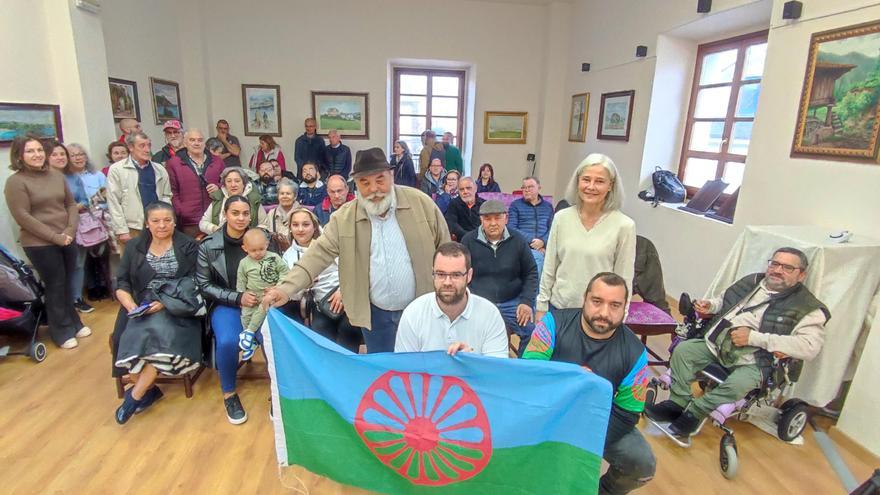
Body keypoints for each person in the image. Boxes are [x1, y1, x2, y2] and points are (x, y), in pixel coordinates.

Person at [262, 147, 450, 353]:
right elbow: (317, 255)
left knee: (421, 371)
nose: (373, 189)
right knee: (384, 373)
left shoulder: (421, 204)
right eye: (365, 183)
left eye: (380, 180)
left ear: (391, 175)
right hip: (376, 317)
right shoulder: (344, 218)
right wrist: (285, 289)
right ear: (356, 184)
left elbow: (446, 252)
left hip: (421, 310)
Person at [647, 247, 829, 437]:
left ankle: (695, 413)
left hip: (756, 361)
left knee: (737, 384)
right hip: (718, 345)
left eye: (787, 268)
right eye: (774, 264)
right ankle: (677, 402)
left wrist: (754, 338)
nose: (777, 270)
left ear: (801, 275)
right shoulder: (751, 282)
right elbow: (723, 301)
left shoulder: (808, 308)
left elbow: (810, 347)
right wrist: (710, 306)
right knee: (683, 351)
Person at [523, 272, 655, 494]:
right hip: (546, 413)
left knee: (642, 463)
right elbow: (528, 377)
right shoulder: (553, 323)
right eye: (597, 301)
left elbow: (627, 414)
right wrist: (569, 376)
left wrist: (580, 440)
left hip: (598, 423)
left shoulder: (635, 353)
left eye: (615, 305)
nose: (604, 313)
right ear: (584, 298)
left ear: (625, 308)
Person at [111, 202, 202, 424]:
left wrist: (163, 302)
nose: (162, 225)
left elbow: (193, 280)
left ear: (174, 222)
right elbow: (121, 280)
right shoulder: (134, 246)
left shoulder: (188, 245)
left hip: (176, 303)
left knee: (158, 340)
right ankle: (148, 390)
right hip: (140, 303)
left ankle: (133, 397)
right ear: (147, 223)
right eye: (156, 221)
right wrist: (129, 304)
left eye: (167, 220)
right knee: (124, 338)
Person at [4, 135, 90, 349]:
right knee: (55, 285)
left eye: (39, 150)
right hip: (39, 243)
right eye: (30, 151)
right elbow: (23, 216)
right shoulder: (16, 181)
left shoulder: (56, 176)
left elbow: (71, 205)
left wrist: (69, 230)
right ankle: (60, 331)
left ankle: (74, 322)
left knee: (68, 283)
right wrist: (56, 237)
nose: (37, 155)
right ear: (19, 156)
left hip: (66, 237)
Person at [536, 153, 635, 322]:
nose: (591, 186)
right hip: (560, 308)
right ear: (577, 182)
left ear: (611, 185)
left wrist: (620, 318)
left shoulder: (624, 226)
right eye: (586, 179)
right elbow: (549, 267)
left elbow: (624, 279)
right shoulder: (561, 217)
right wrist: (541, 306)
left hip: (599, 316)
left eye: (599, 181)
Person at [196, 196, 257, 424]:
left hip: (258, 304)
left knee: (272, 338)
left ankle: (277, 391)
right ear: (225, 214)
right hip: (225, 304)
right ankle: (229, 394)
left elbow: (273, 272)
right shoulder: (208, 245)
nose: (241, 218)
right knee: (228, 341)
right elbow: (204, 285)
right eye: (235, 213)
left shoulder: (261, 238)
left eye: (245, 213)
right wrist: (237, 298)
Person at [395, 242, 508, 358]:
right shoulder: (413, 313)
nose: (447, 282)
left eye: (456, 275)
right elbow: (403, 368)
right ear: (433, 274)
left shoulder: (490, 314)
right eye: (441, 274)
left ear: (469, 275)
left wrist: (472, 361)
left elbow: (497, 370)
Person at [460, 201, 537, 355]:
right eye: (488, 219)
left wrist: (527, 302)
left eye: (497, 218)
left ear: (506, 219)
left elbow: (531, 272)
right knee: (463, 332)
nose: (493, 223)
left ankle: (521, 371)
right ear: (481, 220)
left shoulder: (518, 239)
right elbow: (460, 274)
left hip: (512, 302)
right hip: (479, 302)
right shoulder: (468, 241)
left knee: (532, 332)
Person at [282, 208, 362, 352]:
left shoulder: (329, 245)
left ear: (314, 226)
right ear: (290, 228)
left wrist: (342, 290)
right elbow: (292, 292)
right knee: (322, 340)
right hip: (319, 306)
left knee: (348, 333)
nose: (300, 229)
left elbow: (352, 269)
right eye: (295, 225)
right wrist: (304, 285)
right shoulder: (288, 256)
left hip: (345, 298)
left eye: (305, 224)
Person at [107, 132, 173, 250]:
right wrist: (121, 230)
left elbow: (166, 196)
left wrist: (166, 221)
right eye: (142, 146)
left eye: (149, 145)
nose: (147, 150)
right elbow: (114, 202)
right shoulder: (117, 170)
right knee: (133, 265)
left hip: (157, 225)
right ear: (131, 148)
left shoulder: (159, 169)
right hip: (132, 227)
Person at [64, 144, 106, 313]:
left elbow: (89, 201)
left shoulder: (97, 175)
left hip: (96, 221)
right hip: (71, 224)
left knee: (98, 257)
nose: (79, 157)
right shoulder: (65, 178)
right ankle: (76, 297)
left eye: (81, 154)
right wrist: (76, 206)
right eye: (74, 155)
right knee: (78, 262)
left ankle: (100, 287)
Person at [237, 229, 289, 361]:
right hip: (252, 297)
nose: (258, 253)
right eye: (253, 250)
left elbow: (285, 272)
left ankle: (249, 333)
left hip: (270, 296)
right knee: (245, 315)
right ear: (245, 248)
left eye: (261, 249)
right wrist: (241, 295)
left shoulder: (274, 257)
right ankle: (252, 341)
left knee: (261, 311)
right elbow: (241, 280)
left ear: (266, 244)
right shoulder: (244, 263)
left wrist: (277, 286)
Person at [165, 128, 224, 238]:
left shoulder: (217, 161)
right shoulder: (174, 163)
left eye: (200, 140)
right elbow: (172, 191)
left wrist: (218, 186)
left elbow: (226, 183)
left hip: (214, 218)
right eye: (192, 140)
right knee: (191, 252)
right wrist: (181, 211)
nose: (197, 143)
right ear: (185, 143)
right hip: (189, 221)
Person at [199, 167, 267, 235]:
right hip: (221, 240)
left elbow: (265, 224)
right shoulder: (218, 199)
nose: (233, 185)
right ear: (224, 184)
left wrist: (251, 235)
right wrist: (216, 229)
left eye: (237, 181)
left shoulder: (254, 200)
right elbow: (203, 223)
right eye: (229, 181)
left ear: (244, 184)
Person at [508, 176, 554, 274]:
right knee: (537, 258)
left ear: (539, 187)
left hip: (545, 246)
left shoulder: (548, 206)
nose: (527, 190)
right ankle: (535, 289)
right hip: (523, 245)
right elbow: (511, 228)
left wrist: (543, 242)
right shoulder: (515, 205)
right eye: (524, 187)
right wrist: (533, 242)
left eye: (530, 187)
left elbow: (553, 228)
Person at [264, 179, 300, 243]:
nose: (284, 196)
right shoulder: (271, 213)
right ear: (278, 196)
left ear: (295, 196)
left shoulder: (302, 213)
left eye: (288, 194)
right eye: (282, 193)